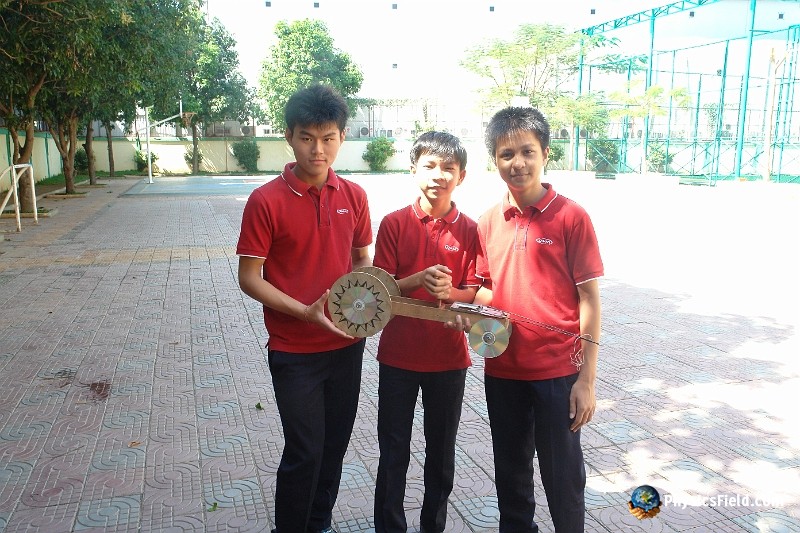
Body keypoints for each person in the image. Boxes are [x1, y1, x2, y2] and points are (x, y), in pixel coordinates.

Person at [236, 84, 372, 533]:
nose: (318, 149)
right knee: (305, 449)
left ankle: (320, 523)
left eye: (328, 138)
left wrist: (359, 306)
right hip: (294, 350)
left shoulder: (353, 196)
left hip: (345, 346)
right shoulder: (265, 200)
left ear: (342, 137)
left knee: (333, 448)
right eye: (307, 138)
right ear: (289, 137)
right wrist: (305, 312)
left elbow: (362, 261)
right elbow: (249, 277)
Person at [461, 107, 603, 532]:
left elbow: (589, 299)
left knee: (563, 477)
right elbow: (489, 289)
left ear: (545, 154)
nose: (517, 163)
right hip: (503, 369)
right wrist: (468, 312)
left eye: (527, 151)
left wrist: (586, 380)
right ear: (495, 159)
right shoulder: (488, 221)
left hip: (557, 373)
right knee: (511, 473)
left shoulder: (571, 216)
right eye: (506, 154)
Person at [372, 131, 480, 532]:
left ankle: (433, 525)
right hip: (397, 357)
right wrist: (418, 278)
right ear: (413, 170)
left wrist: (451, 294)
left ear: (462, 176)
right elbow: (379, 290)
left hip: (449, 360)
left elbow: (475, 291)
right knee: (393, 450)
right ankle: (389, 526)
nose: (439, 175)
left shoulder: (470, 230)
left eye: (449, 168)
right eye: (430, 166)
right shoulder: (394, 223)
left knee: (441, 452)